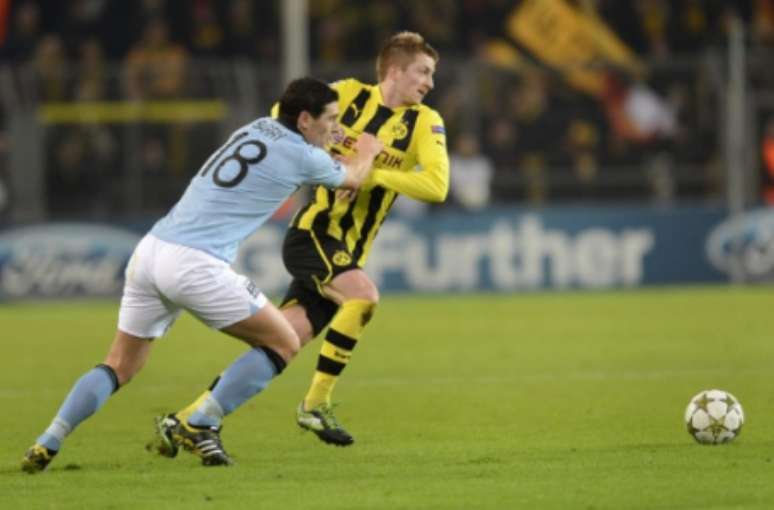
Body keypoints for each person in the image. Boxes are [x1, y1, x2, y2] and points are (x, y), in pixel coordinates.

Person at [20, 77, 384, 473]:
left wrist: (330, 141)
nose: (336, 127)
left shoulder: (253, 128)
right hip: (195, 263)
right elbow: (355, 177)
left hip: (151, 251)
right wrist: (365, 149)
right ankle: (201, 422)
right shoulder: (303, 155)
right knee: (284, 341)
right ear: (303, 119)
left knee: (119, 365)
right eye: (330, 118)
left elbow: (301, 149)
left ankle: (47, 441)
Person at [157, 31, 449, 456]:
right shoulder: (347, 94)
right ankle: (315, 404)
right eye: (423, 72)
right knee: (363, 297)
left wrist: (369, 171)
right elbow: (284, 113)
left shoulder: (425, 121)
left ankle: (189, 419)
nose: (429, 83)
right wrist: (333, 153)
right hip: (312, 233)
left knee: (282, 343)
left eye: (432, 75)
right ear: (395, 70)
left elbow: (436, 185)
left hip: (347, 251)